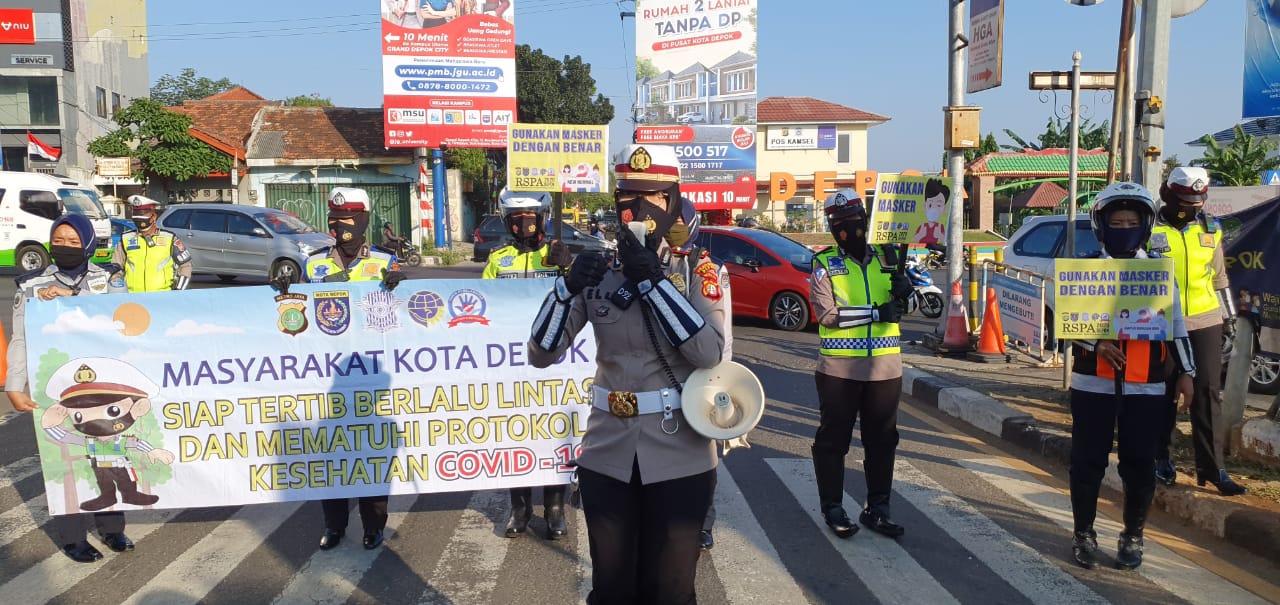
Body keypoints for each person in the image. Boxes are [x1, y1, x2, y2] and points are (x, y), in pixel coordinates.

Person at [526, 144, 727, 604]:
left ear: (671, 200)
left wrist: (654, 282)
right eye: (627, 196)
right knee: (612, 590)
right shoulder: (600, 271)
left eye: (650, 196)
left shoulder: (697, 271)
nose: (637, 208)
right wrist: (566, 288)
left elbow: (709, 353)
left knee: (670, 592)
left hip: (680, 453)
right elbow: (541, 353)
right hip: (607, 451)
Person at [1068, 181, 1196, 571]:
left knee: (1139, 463)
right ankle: (1083, 533)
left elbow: (1176, 325)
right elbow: (1066, 325)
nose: (1124, 228)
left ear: (1145, 225)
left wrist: (1187, 372)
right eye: (1117, 221)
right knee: (1087, 461)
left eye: (1131, 221)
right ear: (1102, 224)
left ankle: (1133, 535)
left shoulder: (1159, 272)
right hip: (1092, 382)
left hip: (1147, 383)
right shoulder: (1084, 269)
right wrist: (1096, 344)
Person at [283, 187, 407, 551]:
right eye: (335, 220)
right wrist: (282, 294)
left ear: (362, 221)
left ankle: (373, 525)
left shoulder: (385, 262)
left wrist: (399, 289)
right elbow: (296, 315)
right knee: (332, 453)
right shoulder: (314, 265)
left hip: (371, 373)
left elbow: (404, 320)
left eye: (347, 220)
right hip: (328, 375)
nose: (339, 227)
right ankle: (334, 525)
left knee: (370, 451)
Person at [6, 214, 132, 563]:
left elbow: (123, 319)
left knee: (109, 457)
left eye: (74, 242)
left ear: (88, 244)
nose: (64, 247)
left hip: (103, 383)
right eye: (58, 240)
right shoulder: (31, 285)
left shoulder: (109, 279)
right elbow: (20, 338)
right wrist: (14, 385)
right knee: (63, 461)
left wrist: (73, 297)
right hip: (55, 385)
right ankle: (73, 537)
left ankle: (113, 528)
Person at [809, 188, 914, 540]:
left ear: (866, 220)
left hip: (884, 368)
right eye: (838, 223)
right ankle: (833, 507)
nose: (846, 229)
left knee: (882, 440)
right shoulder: (824, 264)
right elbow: (827, 315)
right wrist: (875, 313)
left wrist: (906, 293)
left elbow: (909, 309)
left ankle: (878, 509)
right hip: (839, 370)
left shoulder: (889, 258)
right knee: (833, 440)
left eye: (853, 220)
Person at [1149, 167, 1245, 496]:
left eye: (1198, 202)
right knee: (1164, 392)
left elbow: (1219, 278)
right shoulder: (1150, 228)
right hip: (1161, 321)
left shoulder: (1211, 229)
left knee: (1207, 392)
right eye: (1186, 202)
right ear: (1169, 196)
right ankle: (1161, 457)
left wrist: (1229, 317)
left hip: (1205, 319)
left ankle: (1213, 468)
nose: (1193, 208)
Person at [483, 188, 572, 539]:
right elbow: (483, 304)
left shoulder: (556, 254)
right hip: (511, 364)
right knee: (515, 434)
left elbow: (579, 299)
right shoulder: (498, 260)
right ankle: (519, 508)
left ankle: (555, 509)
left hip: (554, 362)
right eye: (516, 220)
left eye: (530, 219)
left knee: (553, 435)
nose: (523, 226)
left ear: (543, 219)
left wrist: (568, 266)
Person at [111, 195, 192, 292]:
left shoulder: (169, 238)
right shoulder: (126, 239)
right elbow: (116, 266)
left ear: (154, 217)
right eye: (136, 215)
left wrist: (179, 291)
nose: (139, 219)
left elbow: (186, 265)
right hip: (133, 296)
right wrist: (117, 283)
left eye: (143, 215)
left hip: (162, 296)